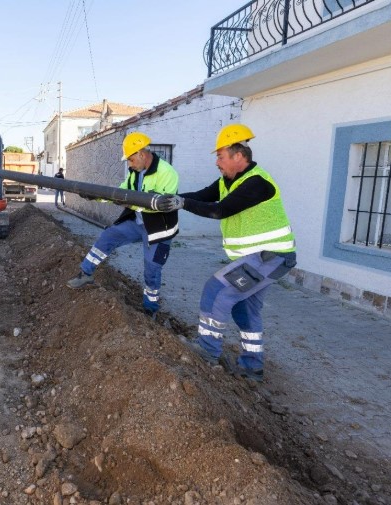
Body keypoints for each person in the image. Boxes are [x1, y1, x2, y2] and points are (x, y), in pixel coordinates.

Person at [172, 124, 297, 382]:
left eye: (220, 155)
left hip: (270, 257)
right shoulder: (228, 181)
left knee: (216, 290)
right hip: (260, 259)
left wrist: (182, 203)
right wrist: (170, 198)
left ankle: (207, 351)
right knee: (244, 310)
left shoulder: (257, 183)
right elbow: (202, 196)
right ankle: (252, 367)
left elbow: (219, 210)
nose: (217, 162)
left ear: (239, 155)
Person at [67, 132, 180, 318]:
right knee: (108, 236)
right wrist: (97, 195)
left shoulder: (167, 173)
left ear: (142, 154)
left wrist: (127, 203)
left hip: (159, 229)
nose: (129, 164)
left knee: (152, 269)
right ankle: (85, 273)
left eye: (130, 159)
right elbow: (121, 192)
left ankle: (150, 309)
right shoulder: (135, 172)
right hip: (137, 222)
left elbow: (157, 206)